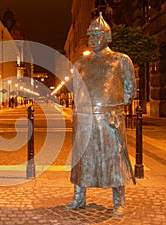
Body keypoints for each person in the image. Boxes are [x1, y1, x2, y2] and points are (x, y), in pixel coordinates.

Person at [65, 13, 136, 218]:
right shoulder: (80, 63)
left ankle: (118, 202)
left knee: (113, 159)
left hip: (109, 119)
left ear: (108, 37)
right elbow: (76, 89)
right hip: (84, 118)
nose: (93, 38)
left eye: (98, 34)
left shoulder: (121, 60)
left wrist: (115, 109)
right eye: (91, 35)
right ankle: (79, 197)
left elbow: (130, 90)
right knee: (82, 160)